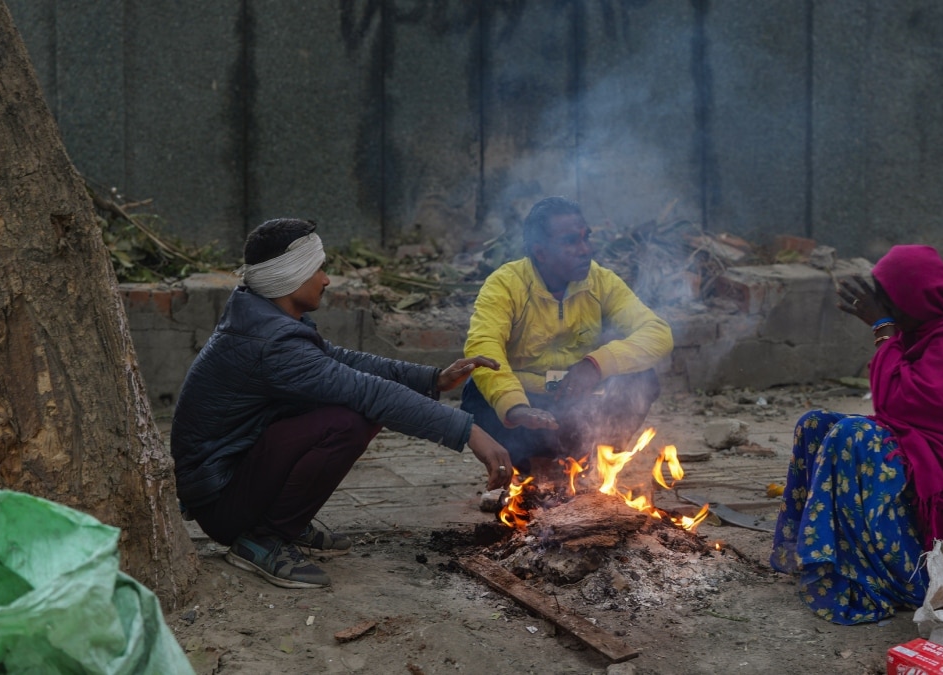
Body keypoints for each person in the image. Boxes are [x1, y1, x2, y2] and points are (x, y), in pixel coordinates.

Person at [171, 218, 513, 590]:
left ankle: (281, 521)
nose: (327, 279)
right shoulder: (271, 343)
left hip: (228, 485)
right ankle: (263, 538)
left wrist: (432, 379)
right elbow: (369, 392)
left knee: (348, 407)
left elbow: (343, 362)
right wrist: (469, 432)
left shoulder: (263, 318)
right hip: (222, 504)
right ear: (291, 276)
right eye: (319, 268)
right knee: (349, 419)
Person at [769, 244, 943, 625]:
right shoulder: (929, 328)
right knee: (815, 425)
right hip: (928, 446)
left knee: (852, 435)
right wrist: (889, 329)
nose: (882, 309)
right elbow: (902, 408)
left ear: (916, 297)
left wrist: (883, 329)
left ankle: (908, 580)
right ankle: (821, 557)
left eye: (888, 301)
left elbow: (897, 402)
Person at [459, 196, 674, 475]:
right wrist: (514, 407)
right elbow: (483, 347)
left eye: (586, 238)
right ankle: (529, 472)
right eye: (571, 242)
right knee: (476, 391)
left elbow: (658, 333)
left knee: (642, 378)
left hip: (579, 404)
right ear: (541, 252)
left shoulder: (601, 281)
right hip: (526, 411)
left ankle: (589, 467)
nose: (585, 249)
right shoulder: (505, 283)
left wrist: (595, 365)